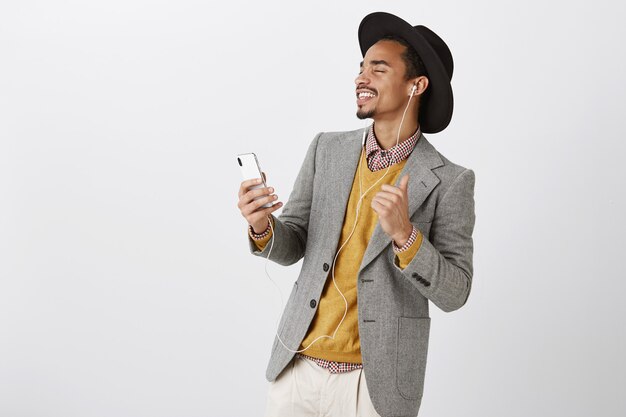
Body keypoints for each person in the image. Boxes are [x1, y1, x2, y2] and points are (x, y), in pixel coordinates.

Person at [237, 12, 476, 417]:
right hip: (297, 368)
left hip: (374, 386)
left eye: (378, 69)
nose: (361, 78)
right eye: (361, 67)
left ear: (416, 85)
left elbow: (456, 292)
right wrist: (262, 226)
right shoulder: (326, 149)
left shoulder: (450, 181)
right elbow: (294, 241)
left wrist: (406, 237)